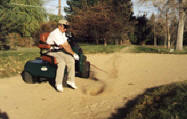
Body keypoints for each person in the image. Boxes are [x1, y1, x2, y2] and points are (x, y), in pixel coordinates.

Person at [46, 20, 79, 92]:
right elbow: (63, 46)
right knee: (62, 63)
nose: (66, 29)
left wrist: (72, 54)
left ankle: (70, 81)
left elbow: (67, 44)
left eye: (67, 27)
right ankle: (58, 84)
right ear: (59, 26)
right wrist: (73, 54)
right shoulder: (55, 33)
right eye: (65, 27)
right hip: (50, 52)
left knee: (71, 60)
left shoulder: (62, 33)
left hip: (58, 51)